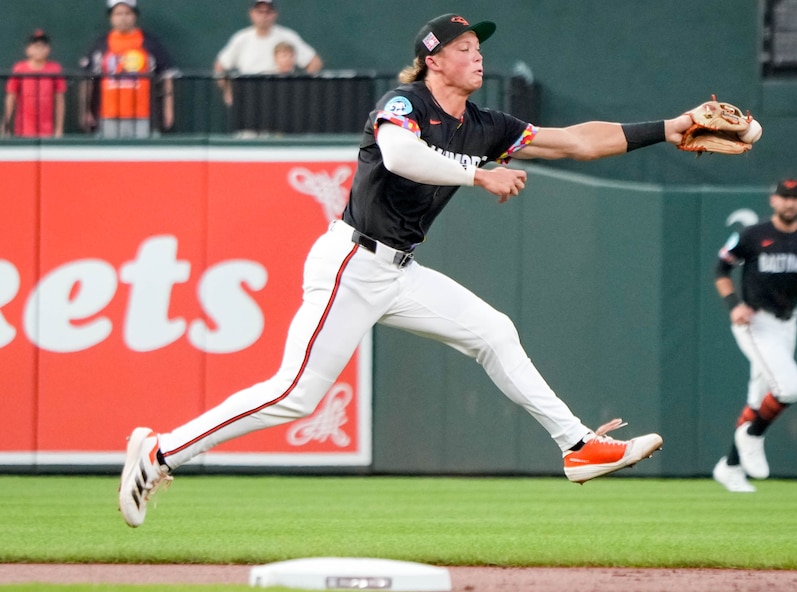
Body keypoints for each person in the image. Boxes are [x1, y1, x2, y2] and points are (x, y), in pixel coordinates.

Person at [119, 13, 699, 528]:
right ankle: (159, 453)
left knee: (493, 331)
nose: (478, 56)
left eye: (479, 47)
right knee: (295, 395)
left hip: (400, 271)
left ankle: (576, 445)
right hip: (352, 262)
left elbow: (576, 143)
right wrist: (479, 175)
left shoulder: (484, 124)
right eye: (466, 47)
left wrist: (668, 129)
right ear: (433, 60)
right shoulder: (404, 103)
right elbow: (400, 156)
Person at [711, 179, 797, 493]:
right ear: (773, 200)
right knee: (789, 387)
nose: (789, 203)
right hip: (755, 322)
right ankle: (752, 435)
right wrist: (733, 305)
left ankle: (730, 467)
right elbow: (720, 269)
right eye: (784, 197)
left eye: (794, 197)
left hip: (786, 323)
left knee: (758, 397)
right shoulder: (753, 234)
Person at [78, 0, 177, 139]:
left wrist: (168, 109)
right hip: (108, 115)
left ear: (134, 16)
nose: (123, 17)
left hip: (142, 116)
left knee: (141, 157)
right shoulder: (100, 45)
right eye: (118, 14)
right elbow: (88, 79)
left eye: (127, 13)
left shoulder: (149, 43)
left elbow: (166, 76)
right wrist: (85, 110)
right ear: (111, 17)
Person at [214, 0, 323, 107]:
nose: (264, 16)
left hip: (281, 97)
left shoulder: (288, 37)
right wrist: (228, 89)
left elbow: (314, 62)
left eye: (268, 12)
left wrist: (300, 89)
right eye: (260, 12)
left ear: (275, 14)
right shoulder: (241, 38)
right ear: (251, 13)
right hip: (249, 97)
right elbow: (220, 66)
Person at [2, 29, 66, 138]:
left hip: (47, 131)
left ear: (48, 50)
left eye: (42, 46)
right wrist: (5, 125)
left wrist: (59, 129)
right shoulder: (19, 69)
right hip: (23, 130)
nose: (39, 49)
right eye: (35, 46)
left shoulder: (55, 69)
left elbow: (59, 100)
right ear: (28, 50)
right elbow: (10, 98)